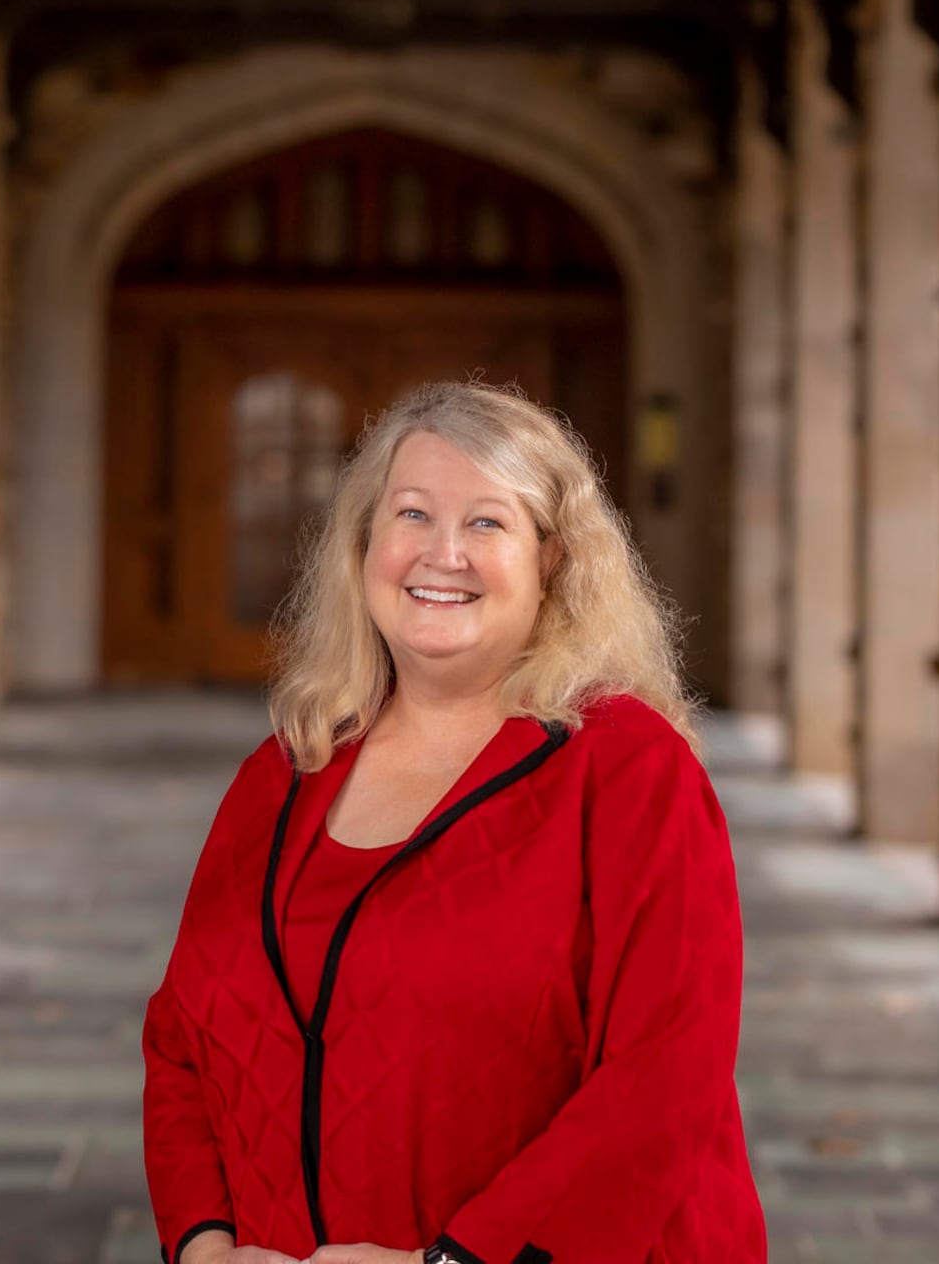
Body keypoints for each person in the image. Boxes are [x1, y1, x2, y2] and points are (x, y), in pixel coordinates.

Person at [143, 382, 766, 1264]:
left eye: (487, 523)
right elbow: (181, 1040)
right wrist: (204, 1248)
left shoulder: (628, 767)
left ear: (552, 559)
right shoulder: (286, 770)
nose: (443, 554)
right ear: (364, 546)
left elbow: (666, 1076)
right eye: (412, 514)